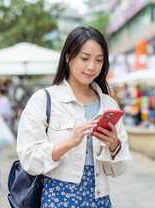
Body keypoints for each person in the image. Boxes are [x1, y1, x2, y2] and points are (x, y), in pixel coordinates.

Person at [17, 26, 132, 207]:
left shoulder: (108, 104)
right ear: (68, 57)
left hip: (99, 199)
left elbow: (118, 170)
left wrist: (114, 145)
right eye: (85, 58)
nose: (92, 67)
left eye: (99, 60)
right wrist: (69, 143)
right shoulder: (44, 100)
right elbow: (29, 159)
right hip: (58, 198)